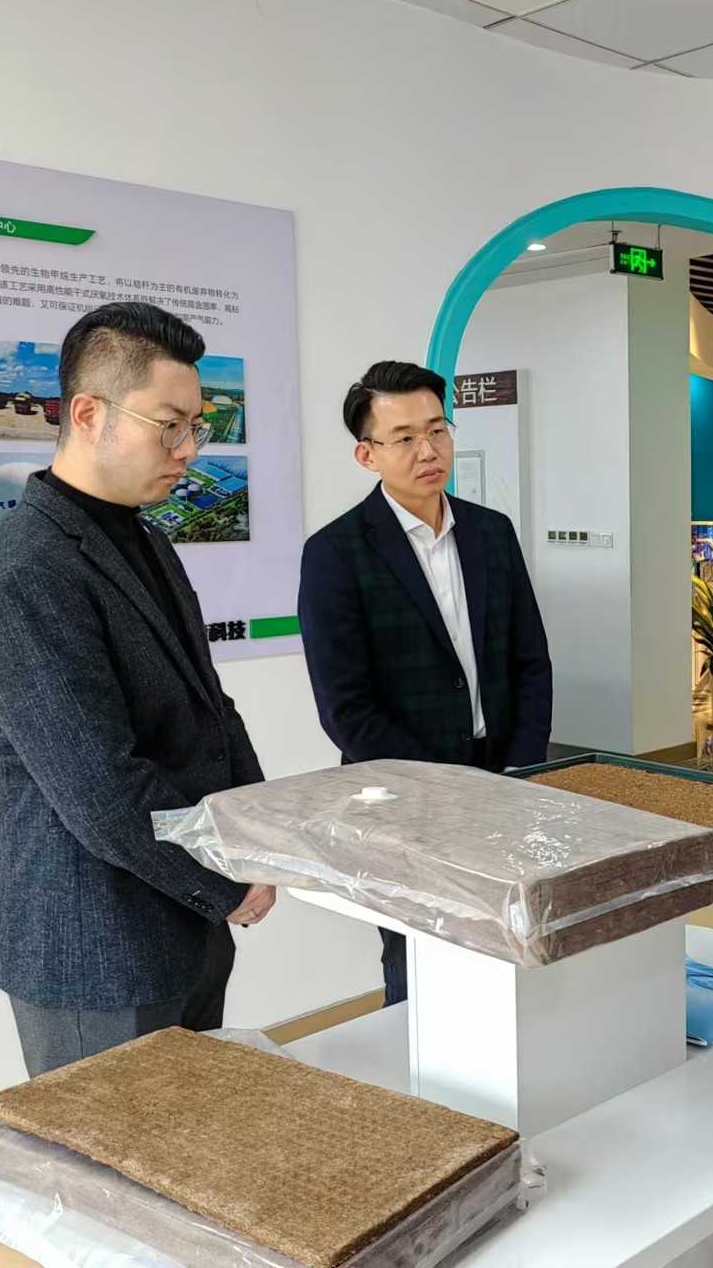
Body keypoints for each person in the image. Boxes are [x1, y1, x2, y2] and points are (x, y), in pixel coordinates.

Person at [0, 302, 275, 1078]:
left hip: (185, 925)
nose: (187, 449)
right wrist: (223, 882)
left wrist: (261, 838)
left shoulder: (145, 536)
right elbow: (100, 787)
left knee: (191, 1136)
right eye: (169, 425)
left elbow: (210, 708)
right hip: (95, 949)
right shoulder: (27, 570)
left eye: (196, 426)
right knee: (111, 1154)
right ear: (88, 413)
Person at [299, 361, 552, 1006]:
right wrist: (447, 790)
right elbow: (346, 709)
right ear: (367, 454)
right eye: (405, 437)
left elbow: (530, 660)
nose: (428, 450)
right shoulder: (335, 552)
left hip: (502, 777)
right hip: (402, 796)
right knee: (417, 959)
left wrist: (521, 771)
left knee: (510, 944)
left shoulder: (492, 532)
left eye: (437, 430)